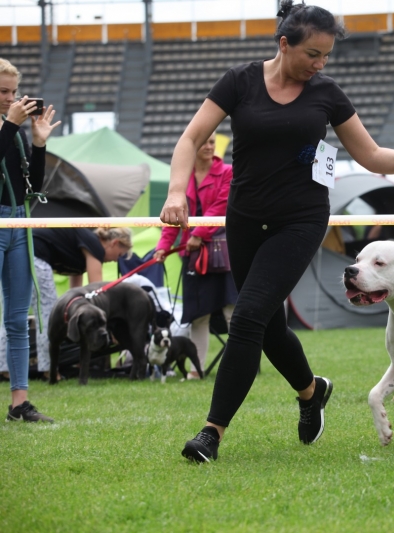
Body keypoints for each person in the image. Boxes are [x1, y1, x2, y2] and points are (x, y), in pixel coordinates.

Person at [160, 0, 394, 463]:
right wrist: (177, 193)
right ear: (284, 43)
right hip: (245, 219)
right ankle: (312, 392)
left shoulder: (327, 93)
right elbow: (190, 139)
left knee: (246, 318)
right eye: (313, 54)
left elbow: (370, 155)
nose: (320, 64)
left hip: (301, 220)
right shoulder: (239, 81)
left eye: (326, 55)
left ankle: (211, 433)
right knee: (268, 326)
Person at [0, 58, 60, 422]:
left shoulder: (15, 129)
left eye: (13, 92)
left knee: (18, 318)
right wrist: (10, 125)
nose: (10, 99)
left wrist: (38, 144)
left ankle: (19, 403)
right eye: (2, 92)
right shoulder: (10, 125)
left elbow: (32, 188)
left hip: (18, 223)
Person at [0, 227, 133, 381]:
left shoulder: (80, 249)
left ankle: (3, 367)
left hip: (13, 251)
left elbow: (75, 293)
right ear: (114, 243)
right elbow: (97, 292)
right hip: (35, 256)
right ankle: (49, 370)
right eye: (119, 255)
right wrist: (109, 327)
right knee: (48, 315)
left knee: (12, 314)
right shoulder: (95, 247)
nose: (116, 260)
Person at [154, 133, 236, 380]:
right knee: (199, 316)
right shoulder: (182, 178)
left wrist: (198, 234)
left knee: (233, 313)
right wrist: (163, 246)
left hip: (225, 254)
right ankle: (195, 371)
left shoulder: (227, 172)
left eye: (212, 142)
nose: (209, 146)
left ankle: (240, 368)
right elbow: (173, 215)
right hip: (193, 257)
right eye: (205, 142)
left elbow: (221, 207)